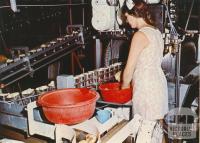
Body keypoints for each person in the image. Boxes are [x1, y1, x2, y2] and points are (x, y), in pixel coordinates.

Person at [120, 0, 168, 142]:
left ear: (132, 13)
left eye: (126, 17)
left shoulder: (139, 35)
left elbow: (129, 70)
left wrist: (123, 90)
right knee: (157, 129)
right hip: (158, 84)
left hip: (146, 88)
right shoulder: (156, 32)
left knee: (145, 132)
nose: (127, 22)